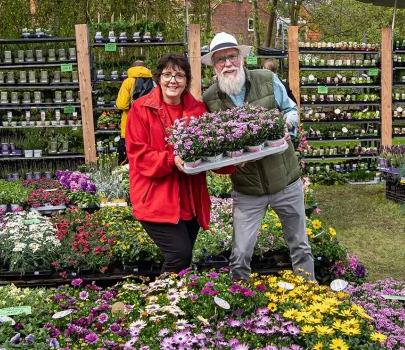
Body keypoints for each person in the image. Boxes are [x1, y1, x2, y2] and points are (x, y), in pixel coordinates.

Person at [201, 32, 315, 281]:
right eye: (220, 60)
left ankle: (311, 294)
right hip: (247, 188)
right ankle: (240, 302)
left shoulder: (267, 79)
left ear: (241, 58)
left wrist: (288, 124)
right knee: (240, 253)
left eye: (232, 56)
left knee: (300, 245)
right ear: (214, 66)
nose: (228, 64)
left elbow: (291, 109)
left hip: (286, 180)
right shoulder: (210, 98)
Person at [125, 54, 210, 274]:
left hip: (189, 199)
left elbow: (209, 148)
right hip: (156, 198)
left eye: (179, 75)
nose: (173, 81)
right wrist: (172, 160)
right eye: (167, 75)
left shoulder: (198, 110)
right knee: (179, 256)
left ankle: (174, 303)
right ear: (158, 78)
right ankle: (158, 303)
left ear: (187, 80)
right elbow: (138, 154)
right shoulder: (141, 109)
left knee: (182, 260)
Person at [116, 61, 153, 162]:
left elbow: (122, 104)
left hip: (129, 123)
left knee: (128, 157)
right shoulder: (153, 81)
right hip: (148, 123)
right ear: (146, 68)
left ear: (132, 68)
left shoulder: (128, 81)